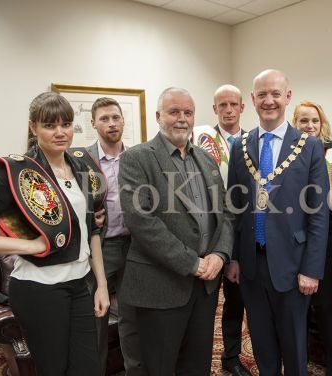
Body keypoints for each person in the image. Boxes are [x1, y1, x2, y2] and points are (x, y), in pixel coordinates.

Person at [0, 92, 109, 375]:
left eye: (66, 124)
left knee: (88, 367)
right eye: (49, 125)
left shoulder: (81, 164)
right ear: (33, 127)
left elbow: (92, 230)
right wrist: (30, 246)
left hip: (80, 284)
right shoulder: (15, 172)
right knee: (53, 368)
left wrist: (101, 284)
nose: (60, 132)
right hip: (39, 289)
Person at [118, 87, 233, 376]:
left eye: (188, 112)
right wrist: (191, 263)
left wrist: (220, 254)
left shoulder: (207, 160)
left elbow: (226, 214)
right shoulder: (137, 158)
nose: (182, 119)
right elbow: (141, 221)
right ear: (159, 116)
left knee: (197, 364)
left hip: (206, 285)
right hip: (161, 284)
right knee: (160, 366)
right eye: (174, 112)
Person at [227, 69, 329, 375]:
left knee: (294, 347)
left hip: (293, 264)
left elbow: (318, 213)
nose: (268, 101)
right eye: (262, 95)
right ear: (253, 99)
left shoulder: (309, 146)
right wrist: (233, 258)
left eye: (275, 94)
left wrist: (311, 269)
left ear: (287, 97)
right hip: (251, 265)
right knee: (262, 346)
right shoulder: (240, 146)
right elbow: (234, 208)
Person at [82, 97, 144, 375]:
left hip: (134, 247)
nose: (111, 123)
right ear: (93, 123)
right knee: (97, 317)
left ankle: (135, 371)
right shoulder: (81, 162)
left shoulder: (138, 158)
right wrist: (88, 217)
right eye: (104, 118)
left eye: (116, 117)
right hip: (101, 248)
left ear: (123, 121)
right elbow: (71, 204)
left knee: (132, 317)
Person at [193, 84, 251, 376]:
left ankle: (237, 355)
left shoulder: (254, 141)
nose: (228, 110)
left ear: (242, 108)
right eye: (222, 105)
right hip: (210, 237)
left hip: (246, 235)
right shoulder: (200, 143)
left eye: (233, 104)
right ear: (214, 109)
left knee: (241, 301)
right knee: (213, 305)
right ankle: (214, 359)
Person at [292, 100, 332, 376]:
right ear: (294, 123)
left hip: (326, 237)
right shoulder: (288, 152)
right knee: (298, 305)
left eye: (315, 121)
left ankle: (331, 362)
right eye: (304, 121)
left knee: (323, 305)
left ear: (321, 124)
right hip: (294, 238)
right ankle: (303, 357)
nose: (310, 126)